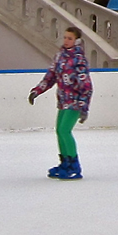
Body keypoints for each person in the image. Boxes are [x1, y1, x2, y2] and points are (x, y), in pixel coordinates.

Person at [29, 25, 92, 179]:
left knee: (65, 130)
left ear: (77, 41)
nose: (66, 40)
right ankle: (65, 162)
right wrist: (37, 90)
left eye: (70, 38)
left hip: (75, 101)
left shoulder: (79, 59)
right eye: (65, 37)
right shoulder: (60, 57)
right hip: (63, 100)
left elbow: (87, 85)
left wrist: (84, 105)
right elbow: (50, 76)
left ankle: (74, 165)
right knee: (59, 131)